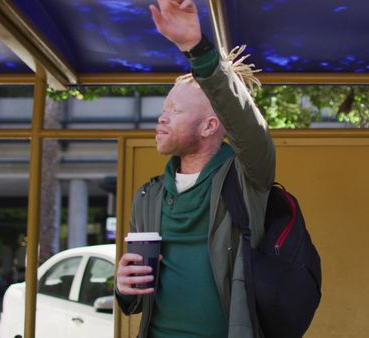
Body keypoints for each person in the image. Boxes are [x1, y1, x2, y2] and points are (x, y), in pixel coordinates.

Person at [114, 0, 274, 337]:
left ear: (209, 126)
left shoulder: (247, 180)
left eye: (175, 111)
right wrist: (123, 287)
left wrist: (195, 49)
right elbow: (132, 302)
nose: (162, 117)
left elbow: (248, 127)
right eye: (163, 108)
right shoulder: (148, 195)